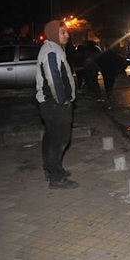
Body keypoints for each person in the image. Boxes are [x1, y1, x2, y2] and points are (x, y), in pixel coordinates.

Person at [36, 20, 79, 189]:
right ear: (55, 33)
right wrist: (63, 100)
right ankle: (56, 177)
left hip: (50, 103)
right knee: (60, 139)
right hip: (55, 104)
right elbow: (54, 79)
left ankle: (51, 168)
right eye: (63, 32)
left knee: (51, 137)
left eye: (66, 32)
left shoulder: (53, 49)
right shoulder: (51, 52)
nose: (67, 35)